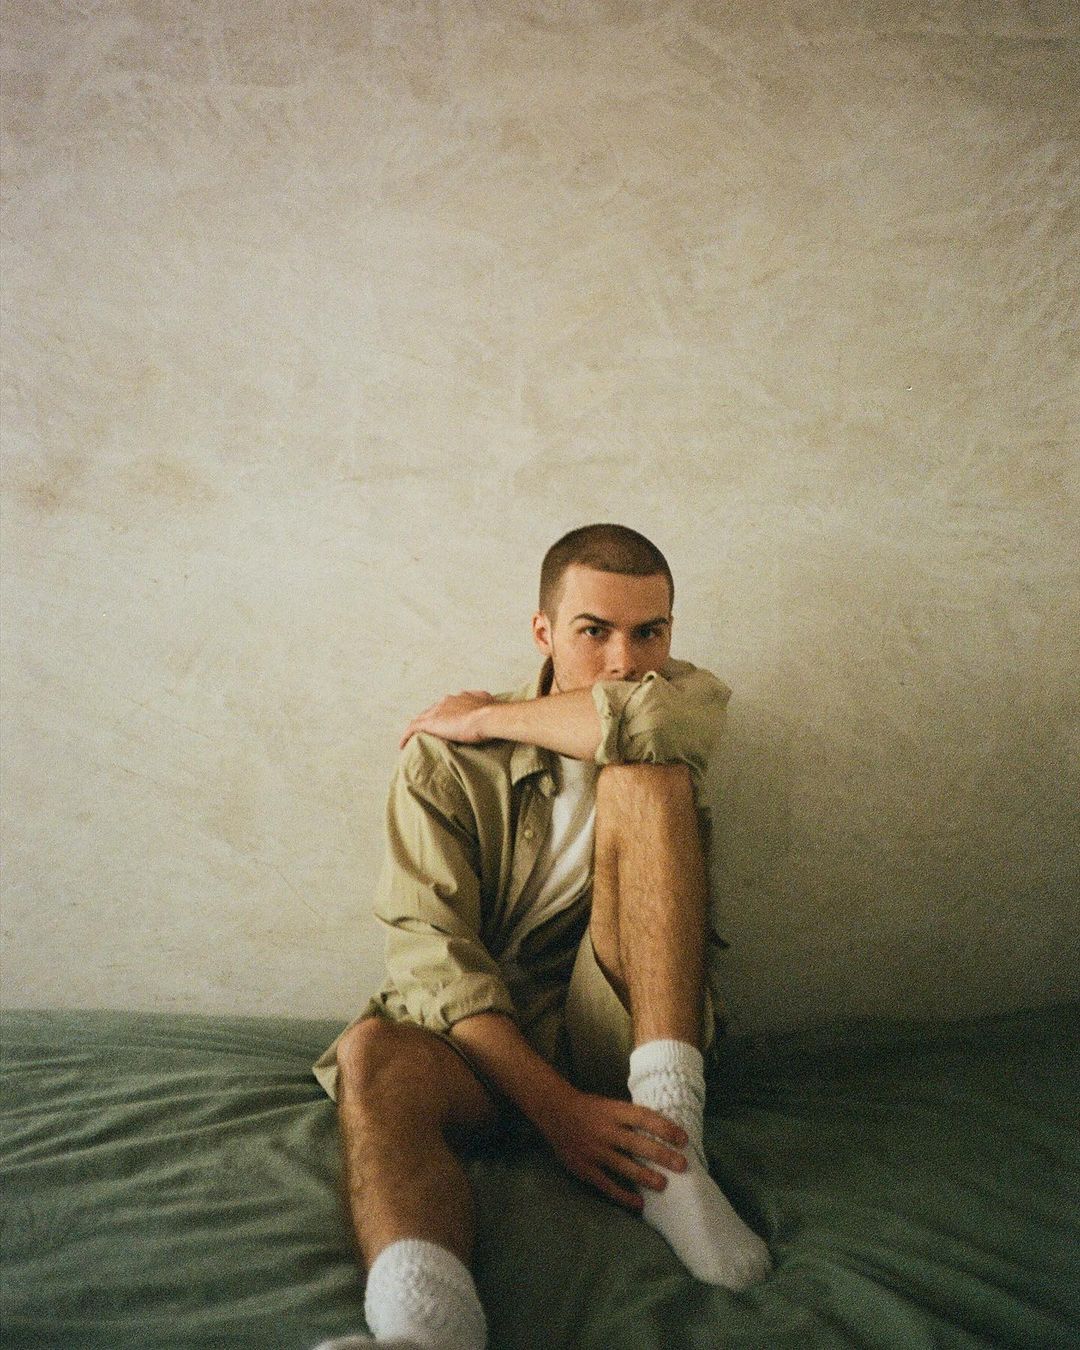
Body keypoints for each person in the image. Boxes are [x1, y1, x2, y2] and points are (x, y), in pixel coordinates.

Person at [313, 524, 772, 1350]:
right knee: (369, 1055)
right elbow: (433, 959)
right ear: (543, 631)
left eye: (649, 632)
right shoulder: (445, 761)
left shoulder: (676, 702)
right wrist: (559, 1113)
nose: (625, 661)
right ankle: (424, 1331)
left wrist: (494, 715)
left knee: (650, 775)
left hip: (611, 1022)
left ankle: (673, 1151)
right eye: (594, 631)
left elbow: (650, 721)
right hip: (475, 1046)